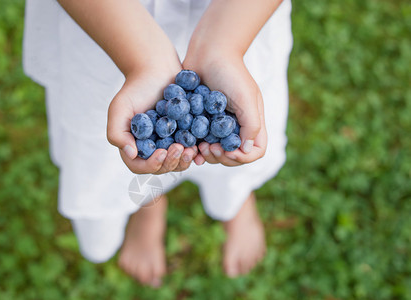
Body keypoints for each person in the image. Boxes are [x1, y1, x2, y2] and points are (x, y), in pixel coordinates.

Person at [23, 0, 293, 288]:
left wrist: (223, 48)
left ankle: (234, 199)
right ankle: (149, 205)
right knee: (148, 155)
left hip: (240, 19)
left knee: (232, 139)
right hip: (111, 25)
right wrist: (142, 60)